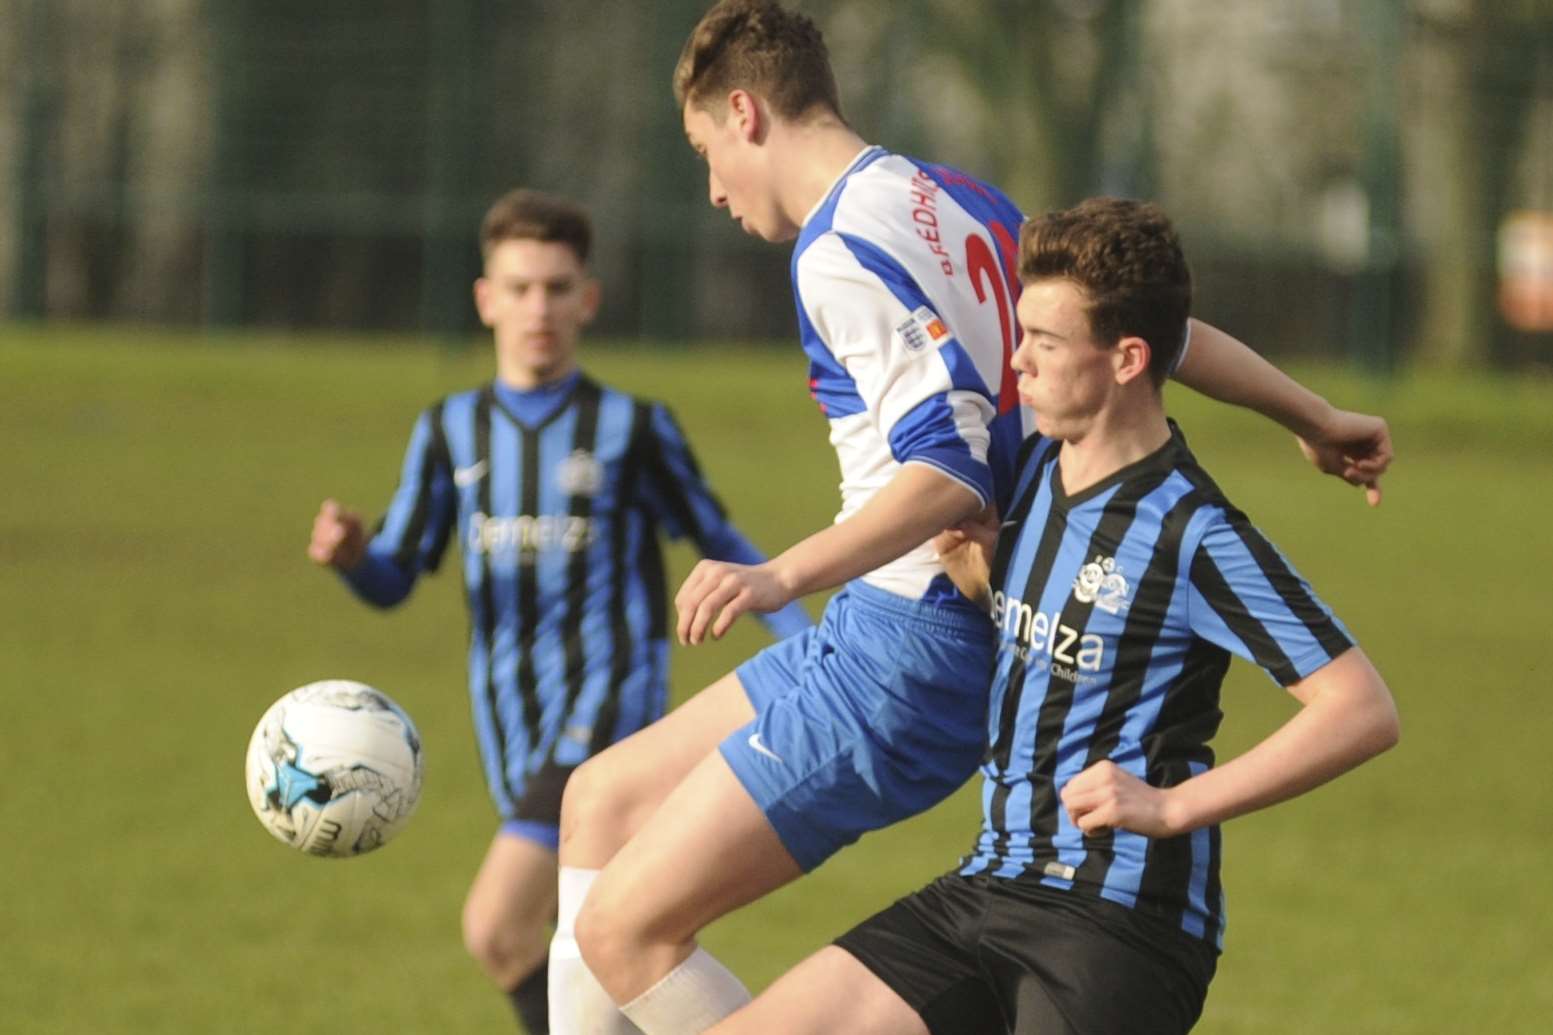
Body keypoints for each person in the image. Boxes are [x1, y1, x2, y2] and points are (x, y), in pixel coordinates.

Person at [547, 4, 1395, 1033]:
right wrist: (1307, 415)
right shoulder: (948, 195)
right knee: (596, 800)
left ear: (743, 112)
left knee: (624, 930)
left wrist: (777, 576)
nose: (713, 188)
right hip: (893, 615)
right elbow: (1136, 322)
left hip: (910, 642)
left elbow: (950, 475)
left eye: (703, 151)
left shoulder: (833, 255)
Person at [704, 197, 1401, 1035]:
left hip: (1117, 926)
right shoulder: (1031, 472)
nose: (1017, 362)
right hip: (987, 886)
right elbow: (1078, 637)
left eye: (1044, 342)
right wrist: (985, 581)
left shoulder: (1193, 532)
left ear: (1127, 358)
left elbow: (1359, 709)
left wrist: (1174, 807)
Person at [306, 187, 811, 1035]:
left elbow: (722, 542)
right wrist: (355, 556)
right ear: (485, 299)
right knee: (590, 957)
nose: (537, 307)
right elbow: (396, 578)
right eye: (519, 287)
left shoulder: (632, 427)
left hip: (606, 715)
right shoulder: (448, 431)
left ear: (587, 298)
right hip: (511, 725)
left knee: (496, 926)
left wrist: (812, 650)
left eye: (555, 287)